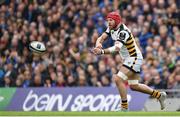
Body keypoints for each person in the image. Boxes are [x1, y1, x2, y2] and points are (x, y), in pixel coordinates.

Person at [92, 11, 167, 111]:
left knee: (118, 79)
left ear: (117, 20)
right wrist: (98, 44)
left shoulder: (123, 32)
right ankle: (159, 95)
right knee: (134, 86)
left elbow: (117, 48)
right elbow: (100, 38)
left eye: (111, 20)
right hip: (129, 58)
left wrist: (101, 51)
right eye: (108, 20)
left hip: (133, 57)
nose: (109, 22)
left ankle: (124, 107)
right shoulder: (111, 28)